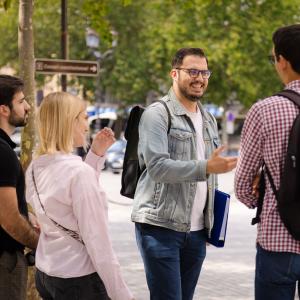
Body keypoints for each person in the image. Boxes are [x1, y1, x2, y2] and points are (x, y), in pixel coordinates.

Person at [131, 48, 237, 300]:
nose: (199, 78)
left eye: (204, 72)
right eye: (192, 71)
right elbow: (157, 167)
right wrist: (206, 168)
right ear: (174, 73)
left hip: (197, 231)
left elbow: (211, 172)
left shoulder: (209, 118)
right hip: (160, 228)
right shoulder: (157, 114)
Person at [25, 92, 133, 300]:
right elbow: (98, 243)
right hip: (80, 278)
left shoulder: (36, 167)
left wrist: (94, 155)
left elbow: (63, 202)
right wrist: (122, 294)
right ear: (69, 121)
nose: (86, 125)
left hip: (48, 273)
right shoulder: (78, 173)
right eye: (83, 117)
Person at [234, 24, 300, 300]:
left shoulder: (265, 110)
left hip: (278, 238)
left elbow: (241, 187)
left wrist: (263, 194)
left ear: (283, 61)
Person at [0, 75, 39, 300]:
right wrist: (38, 243)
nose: (28, 107)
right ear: (4, 109)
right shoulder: (3, 153)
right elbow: (9, 219)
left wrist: (27, 215)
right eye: (22, 101)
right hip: (5, 261)